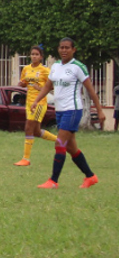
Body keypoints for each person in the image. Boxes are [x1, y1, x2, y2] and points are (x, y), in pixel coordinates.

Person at [29, 37, 104, 189]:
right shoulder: (56, 66)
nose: (64, 50)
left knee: (60, 143)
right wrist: (37, 100)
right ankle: (90, 177)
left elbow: (90, 90)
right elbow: (47, 86)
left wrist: (100, 110)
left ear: (73, 50)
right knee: (71, 148)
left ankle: (53, 181)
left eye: (67, 47)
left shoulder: (78, 67)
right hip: (60, 111)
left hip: (73, 110)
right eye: (61, 47)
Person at [14, 44, 59, 166]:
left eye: (36, 54)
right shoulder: (26, 69)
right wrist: (22, 84)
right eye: (32, 54)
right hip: (29, 102)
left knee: (28, 127)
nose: (34, 56)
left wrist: (40, 88)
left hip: (39, 103)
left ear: (41, 57)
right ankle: (60, 141)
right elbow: (24, 82)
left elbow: (53, 86)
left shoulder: (45, 70)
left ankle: (26, 159)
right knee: (37, 132)